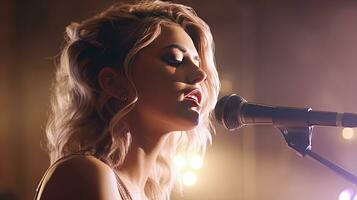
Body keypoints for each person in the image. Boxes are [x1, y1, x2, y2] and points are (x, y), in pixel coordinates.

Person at [34, 0, 220, 199]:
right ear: (114, 83)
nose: (200, 75)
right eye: (174, 59)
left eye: (197, 63)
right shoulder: (85, 173)